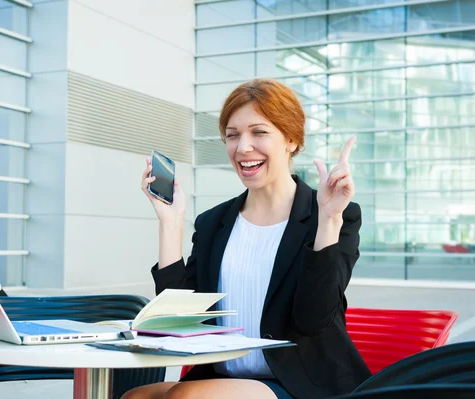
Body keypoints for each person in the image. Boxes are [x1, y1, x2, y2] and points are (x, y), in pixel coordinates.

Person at [123, 78, 371, 399]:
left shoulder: (337, 214)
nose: (243, 148)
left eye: (259, 132)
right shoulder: (214, 222)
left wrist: (329, 218)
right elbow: (177, 324)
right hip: (220, 378)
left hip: (301, 384)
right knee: (135, 396)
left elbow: (313, 319)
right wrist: (171, 222)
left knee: (186, 398)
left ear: (291, 140)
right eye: (232, 135)